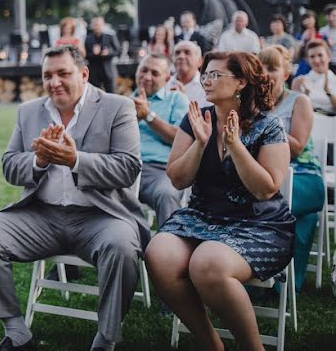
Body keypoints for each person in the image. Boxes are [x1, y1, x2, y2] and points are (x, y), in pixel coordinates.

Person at [0, 45, 146, 351]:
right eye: (48, 75)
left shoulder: (118, 107)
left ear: (84, 74)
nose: (54, 82)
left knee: (122, 246)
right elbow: (10, 165)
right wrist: (39, 161)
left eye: (63, 73)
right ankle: (17, 333)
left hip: (101, 217)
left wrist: (76, 160)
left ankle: (105, 340)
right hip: (42, 216)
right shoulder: (29, 111)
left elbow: (128, 168)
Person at [145, 51, 294, 351]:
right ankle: (212, 344)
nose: (206, 81)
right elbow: (177, 179)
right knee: (157, 254)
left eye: (215, 75)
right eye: (205, 75)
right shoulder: (197, 120)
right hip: (203, 217)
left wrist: (235, 146)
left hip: (258, 224)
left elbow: (265, 189)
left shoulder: (269, 126)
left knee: (207, 263)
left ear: (240, 82)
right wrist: (200, 144)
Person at [259, 45, 324, 290]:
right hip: (269, 176)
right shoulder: (251, 103)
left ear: (285, 74)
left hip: (304, 176)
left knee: (263, 207)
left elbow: (296, 147)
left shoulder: (300, 101)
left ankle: (266, 277)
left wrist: (262, 121)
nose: (264, 73)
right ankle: (278, 281)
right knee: (300, 216)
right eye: (260, 67)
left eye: (272, 68)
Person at [132, 53, 190, 227]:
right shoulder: (124, 101)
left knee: (166, 194)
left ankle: (169, 249)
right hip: (125, 168)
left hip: (160, 171)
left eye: (155, 73)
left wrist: (148, 116)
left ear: (166, 79)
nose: (147, 77)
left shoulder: (177, 99)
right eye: (143, 70)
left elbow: (180, 138)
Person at [292, 40, 336, 113]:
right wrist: (306, 94)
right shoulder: (300, 82)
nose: (316, 60)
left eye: (320, 55)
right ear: (307, 60)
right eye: (312, 56)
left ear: (329, 56)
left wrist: (328, 91)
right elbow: (296, 111)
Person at [84, 16, 120, 93]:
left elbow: (117, 51)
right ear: (92, 26)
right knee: (95, 95)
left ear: (103, 25)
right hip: (94, 71)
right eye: (95, 24)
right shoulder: (88, 38)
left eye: (99, 24)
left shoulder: (110, 36)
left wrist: (108, 52)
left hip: (108, 71)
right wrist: (93, 53)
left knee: (112, 94)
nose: (97, 27)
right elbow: (85, 55)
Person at [169, 41, 207, 105]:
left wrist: (183, 100)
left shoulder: (206, 86)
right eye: (177, 53)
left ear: (200, 61)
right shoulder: (165, 83)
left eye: (187, 53)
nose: (181, 56)